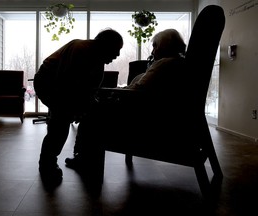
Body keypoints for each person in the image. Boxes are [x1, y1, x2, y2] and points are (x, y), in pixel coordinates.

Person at [65, 28, 186, 168]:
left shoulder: (163, 64)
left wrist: (113, 91)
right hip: (155, 111)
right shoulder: (177, 63)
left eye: (155, 46)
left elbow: (138, 90)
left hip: (143, 116)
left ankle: (83, 158)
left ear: (166, 46)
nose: (152, 51)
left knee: (91, 112)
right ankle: (85, 156)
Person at [34, 28, 123, 183]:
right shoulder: (80, 49)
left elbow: (90, 88)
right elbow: (64, 83)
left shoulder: (98, 58)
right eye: (116, 49)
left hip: (64, 86)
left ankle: (81, 157)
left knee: (90, 116)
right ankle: (47, 164)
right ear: (105, 45)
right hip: (49, 84)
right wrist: (74, 109)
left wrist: (83, 107)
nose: (118, 55)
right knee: (60, 124)